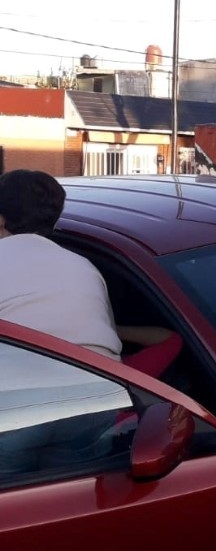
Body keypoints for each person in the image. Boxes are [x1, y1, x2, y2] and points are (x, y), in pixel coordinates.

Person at [0, 170, 177, 476]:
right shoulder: (85, 267)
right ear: (53, 219)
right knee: (67, 499)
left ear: (1, 218)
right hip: (93, 407)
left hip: (17, 410)